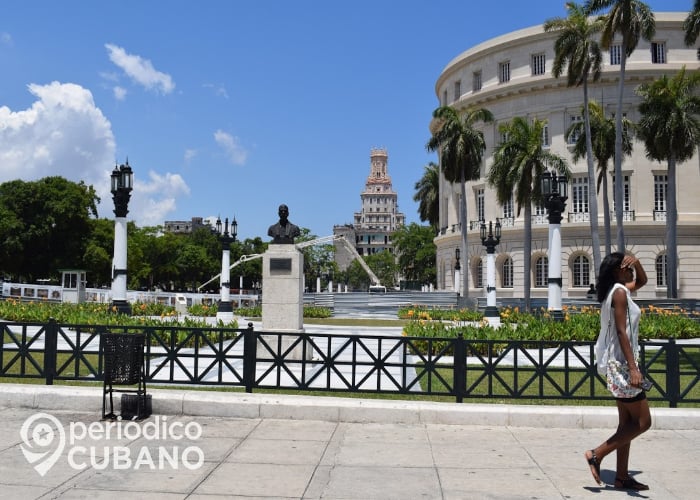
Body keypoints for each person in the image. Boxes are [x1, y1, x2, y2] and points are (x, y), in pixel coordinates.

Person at [585, 252, 651, 491]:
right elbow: (622, 332)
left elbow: (642, 282)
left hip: (617, 364)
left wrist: (638, 262)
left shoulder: (618, 290)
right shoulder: (620, 293)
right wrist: (633, 369)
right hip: (622, 366)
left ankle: (621, 476)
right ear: (616, 271)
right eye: (626, 267)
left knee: (627, 424)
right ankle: (596, 454)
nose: (631, 270)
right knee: (643, 422)